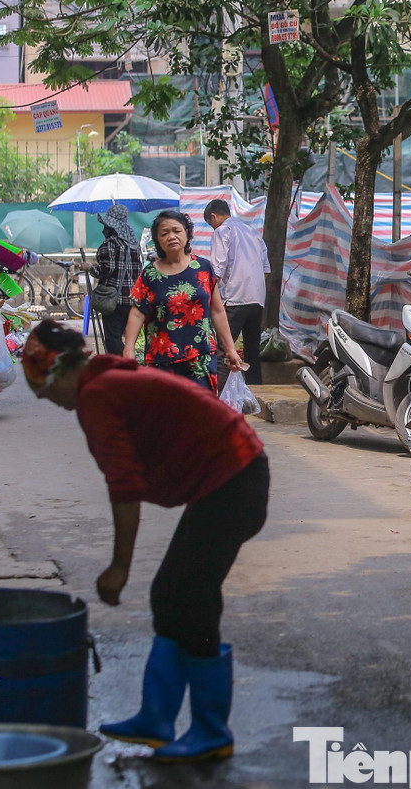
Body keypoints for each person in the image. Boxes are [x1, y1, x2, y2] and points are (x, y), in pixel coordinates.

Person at [22, 320, 268, 763]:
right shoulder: (105, 379)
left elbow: (124, 486)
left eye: (43, 389)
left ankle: (212, 731)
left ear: (58, 370)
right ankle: (156, 718)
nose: (46, 400)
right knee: (171, 595)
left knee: (192, 601)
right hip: (229, 476)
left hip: (234, 479)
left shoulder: (96, 395)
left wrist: (120, 566)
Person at [122, 209, 243, 390]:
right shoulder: (149, 274)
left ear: (187, 234)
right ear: (158, 240)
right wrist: (129, 350)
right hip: (161, 361)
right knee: (167, 415)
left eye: (176, 231)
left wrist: (230, 349)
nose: (171, 236)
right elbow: (137, 313)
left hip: (201, 358)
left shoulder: (203, 268)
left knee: (201, 413)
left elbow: (217, 311)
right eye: (164, 233)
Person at [203, 199, 269, 385]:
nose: (212, 227)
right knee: (252, 349)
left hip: (235, 298)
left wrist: (209, 297)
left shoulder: (222, 231)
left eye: (210, 224)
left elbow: (216, 269)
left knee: (224, 348)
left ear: (214, 217)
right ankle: (256, 389)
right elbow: (266, 270)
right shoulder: (254, 233)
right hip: (257, 299)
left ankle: (219, 392)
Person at [94, 204, 144, 357]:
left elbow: (105, 271)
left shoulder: (109, 244)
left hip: (114, 300)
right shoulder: (134, 244)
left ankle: (121, 364)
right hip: (133, 299)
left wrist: (88, 268)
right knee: (130, 338)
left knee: (112, 338)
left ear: (112, 227)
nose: (103, 230)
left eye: (106, 226)